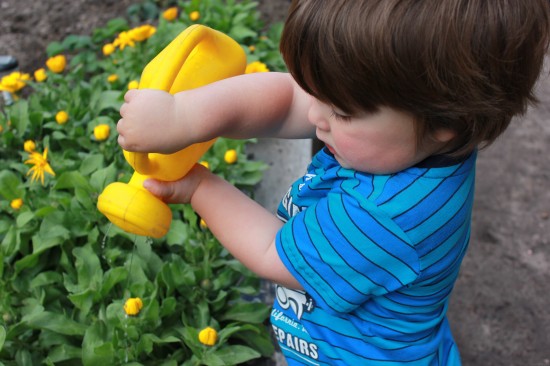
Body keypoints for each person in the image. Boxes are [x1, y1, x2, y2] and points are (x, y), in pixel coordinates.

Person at [116, 0, 550, 364]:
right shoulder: (418, 133)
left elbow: (274, 253)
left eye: (340, 111)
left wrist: (197, 187)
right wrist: (183, 116)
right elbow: (289, 100)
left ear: (447, 122)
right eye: (317, 92)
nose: (313, 116)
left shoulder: (386, 216)